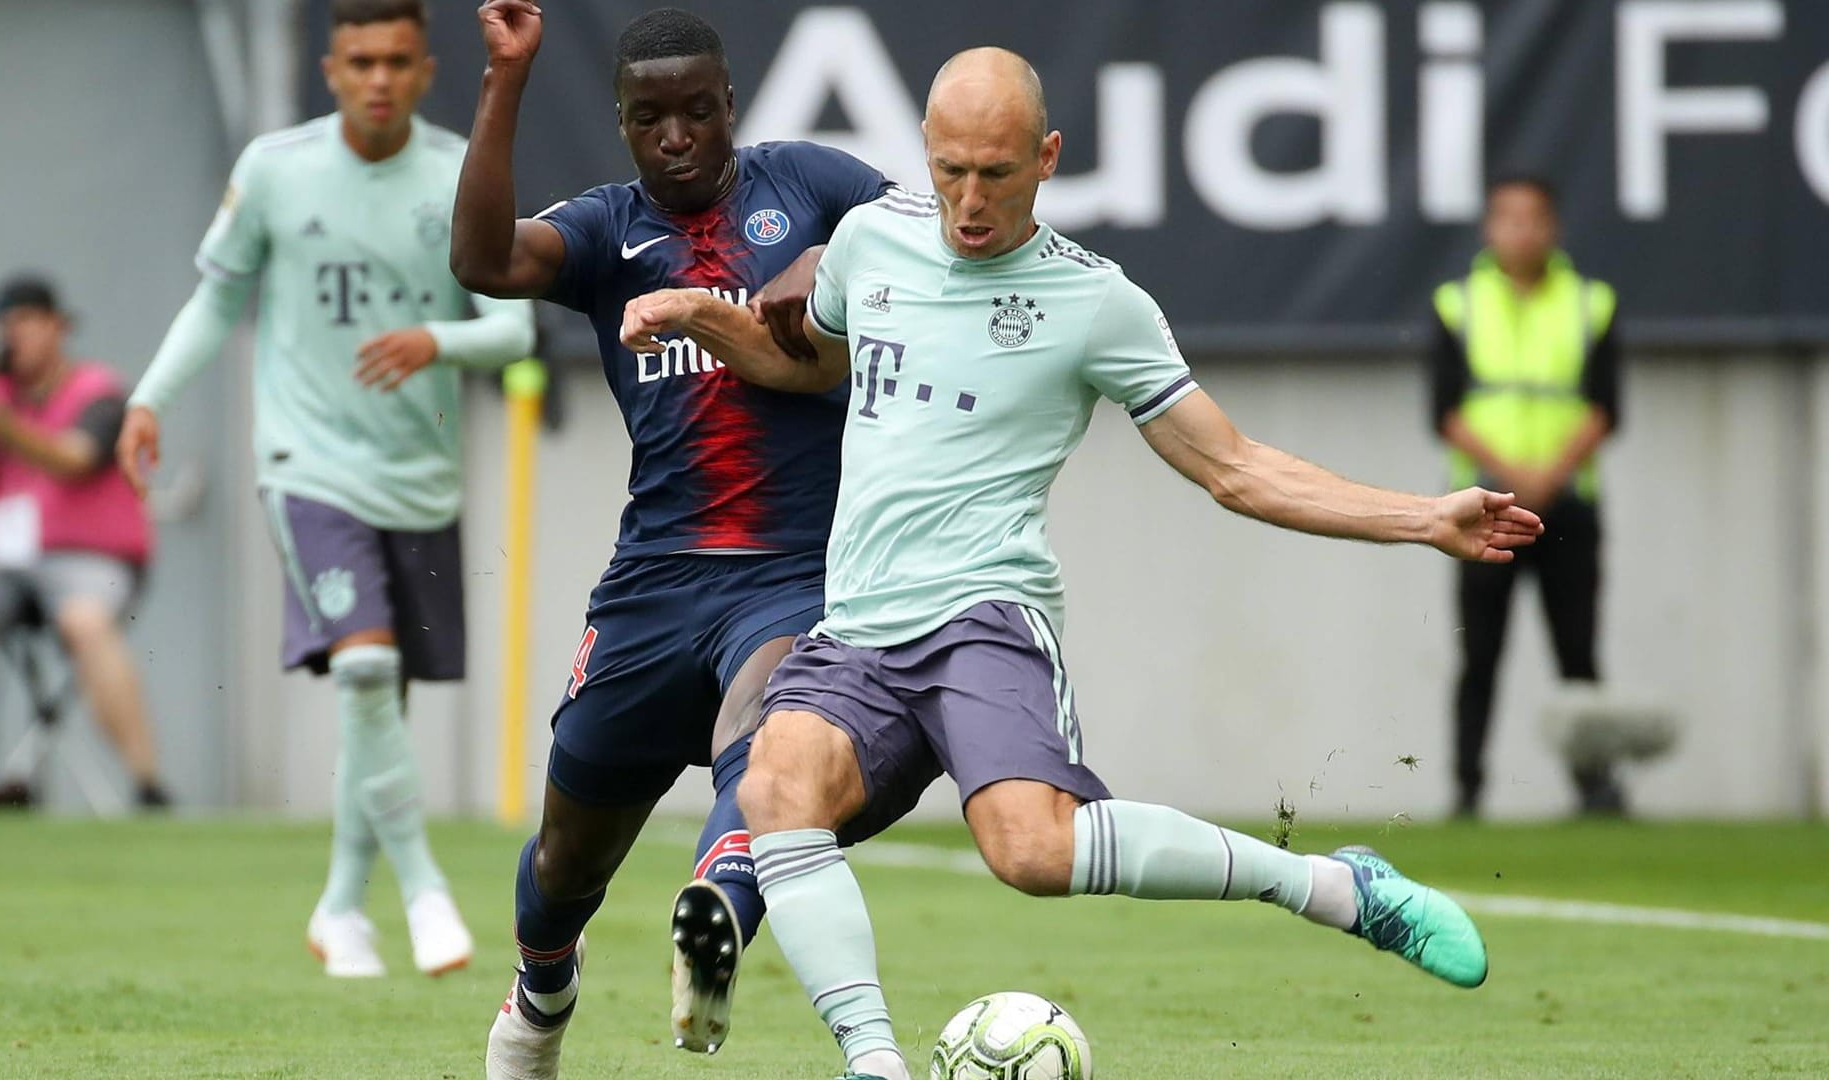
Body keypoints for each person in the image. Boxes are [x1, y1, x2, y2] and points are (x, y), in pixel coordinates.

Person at [619, 48, 1542, 1080]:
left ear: (1048, 157)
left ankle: (1332, 888)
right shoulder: (869, 244)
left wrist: (1425, 518)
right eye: (951, 171)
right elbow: (815, 362)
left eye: (998, 174)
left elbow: (1233, 467)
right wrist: (701, 313)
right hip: (859, 626)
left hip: (984, 617)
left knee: (1033, 853)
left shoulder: (1097, 304)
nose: (971, 202)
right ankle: (873, 1063)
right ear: (924, 156)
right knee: (776, 784)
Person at [450, 2, 891, 1072]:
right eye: (654, 119)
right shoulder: (606, 231)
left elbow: (926, 231)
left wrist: (833, 254)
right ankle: (542, 995)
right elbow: (481, 259)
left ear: (732, 105)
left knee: (769, 732)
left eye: (700, 111)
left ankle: (719, 922)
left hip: (793, 573)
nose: (680, 135)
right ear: (624, 124)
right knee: (565, 860)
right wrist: (506, 79)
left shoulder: (813, 186)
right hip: (652, 587)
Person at [119, 0, 535, 979]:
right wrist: (148, 398)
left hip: (421, 478)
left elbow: (513, 331)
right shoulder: (275, 168)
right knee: (361, 672)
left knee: (375, 697)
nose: (380, 78)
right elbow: (220, 296)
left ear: (427, 71)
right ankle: (426, 889)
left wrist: (438, 338)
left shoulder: (453, 176)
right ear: (332, 68)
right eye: (361, 62)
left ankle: (343, 907)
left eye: (397, 60)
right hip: (307, 464)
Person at [0, 276, 167, 811]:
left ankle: (147, 786)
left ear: (58, 326)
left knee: (85, 621)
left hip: (90, 560)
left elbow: (72, 459)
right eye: (4, 326)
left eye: (25, 322)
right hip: (1, 566)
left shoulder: (99, 391)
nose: (13, 336)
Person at [1430, 175, 1622, 818]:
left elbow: (1604, 406)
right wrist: (1509, 471)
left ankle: (1595, 787)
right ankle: (1467, 790)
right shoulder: (1457, 303)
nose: (1521, 231)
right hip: (1481, 510)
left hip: (1566, 506)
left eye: (1533, 218)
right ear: (1489, 227)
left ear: (1553, 227)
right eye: (1507, 218)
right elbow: (1446, 410)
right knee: (1479, 653)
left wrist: (1551, 474)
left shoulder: (1591, 302)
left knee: (1578, 652)